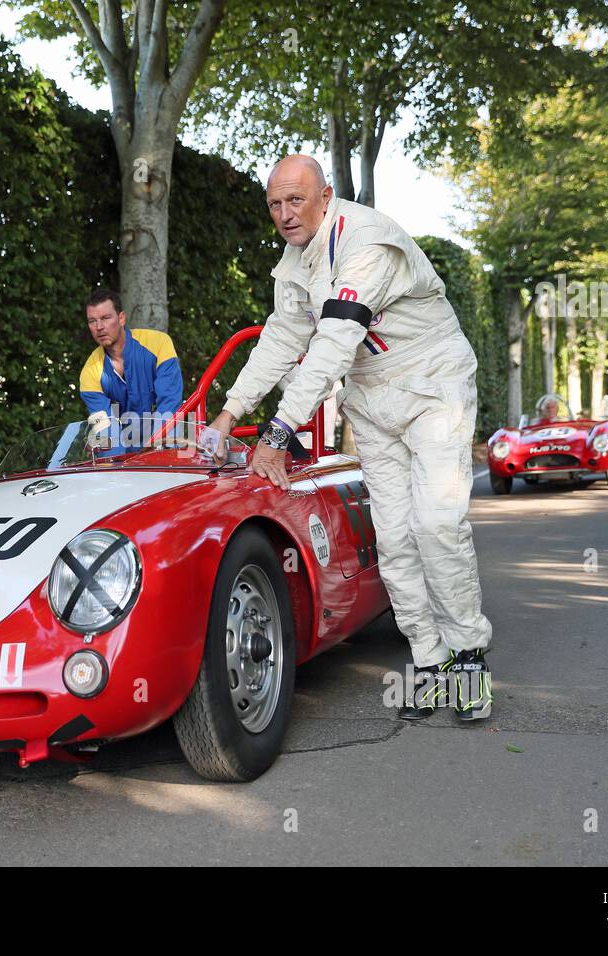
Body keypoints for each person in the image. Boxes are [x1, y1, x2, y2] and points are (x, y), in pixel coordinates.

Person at [201, 154, 494, 722]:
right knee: (393, 535)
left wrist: (278, 432)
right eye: (275, 204)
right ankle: (429, 660)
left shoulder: (367, 239)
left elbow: (333, 341)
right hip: (372, 394)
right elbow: (282, 340)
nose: (285, 214)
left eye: (296, 200)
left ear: (325, 195)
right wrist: (227, 413)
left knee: (437, 522)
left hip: (433, 380)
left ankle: (468, 653)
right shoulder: (294, 261)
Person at [78, 288, 182, 440]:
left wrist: (155, 448)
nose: (99, 327)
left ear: (121, 318)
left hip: (165, 442)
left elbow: (169, 404)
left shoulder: (159, 343)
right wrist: (119, 462)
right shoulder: (90, 372)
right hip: (125, 455)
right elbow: (106, 430)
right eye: (92, 321)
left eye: (106, 318)